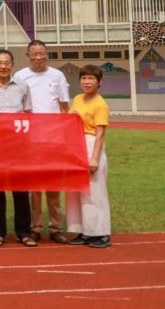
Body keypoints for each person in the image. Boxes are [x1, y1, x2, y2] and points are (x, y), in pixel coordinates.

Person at [14, 40, 70, 244]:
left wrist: (64, 134)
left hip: (54, 139)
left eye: (42, 53)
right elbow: (17, 106)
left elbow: (64, 107)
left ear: (47, 54)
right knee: (35, 187)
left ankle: (55, 227)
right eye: (34, 54)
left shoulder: (57, 75)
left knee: (54, 185)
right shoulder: (20, 76)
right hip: (31, 139)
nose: (38, 57)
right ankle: (35, 227)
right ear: (28, 56)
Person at [0, 49, 36, 247]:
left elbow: (28, 113)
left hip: (18, 146)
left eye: (6, 63)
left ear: (12, 65)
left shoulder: (22, 86)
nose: (3, 66)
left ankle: (24, 232)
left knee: (21, 190)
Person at [65, 64, 111, 248]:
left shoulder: (100, 104)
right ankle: (83, 230)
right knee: (74, 191)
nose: (86, 82)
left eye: (91, 78)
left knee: (93, 191)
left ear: (99, 82)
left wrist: (94, 158)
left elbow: (100, 134)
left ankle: (100, 232)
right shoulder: (77, 99)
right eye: (84, 78)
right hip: (75, 145)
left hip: (91, 144)